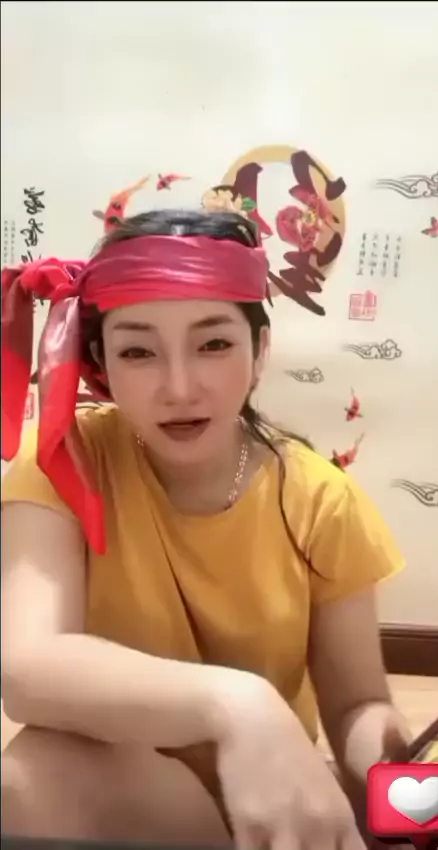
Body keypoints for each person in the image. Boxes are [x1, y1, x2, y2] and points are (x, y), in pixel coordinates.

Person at [1, 209, 410, 849]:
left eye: (214, 344)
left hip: (272, 804)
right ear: (101, 362)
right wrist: (235, 705)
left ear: (259, 351)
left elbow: (358, 703)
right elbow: (27, 670)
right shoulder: (63, 460)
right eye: (138, 351)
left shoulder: (320, 500)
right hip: (127, 793)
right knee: (30, 774)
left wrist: (398, 774)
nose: (179, 388)